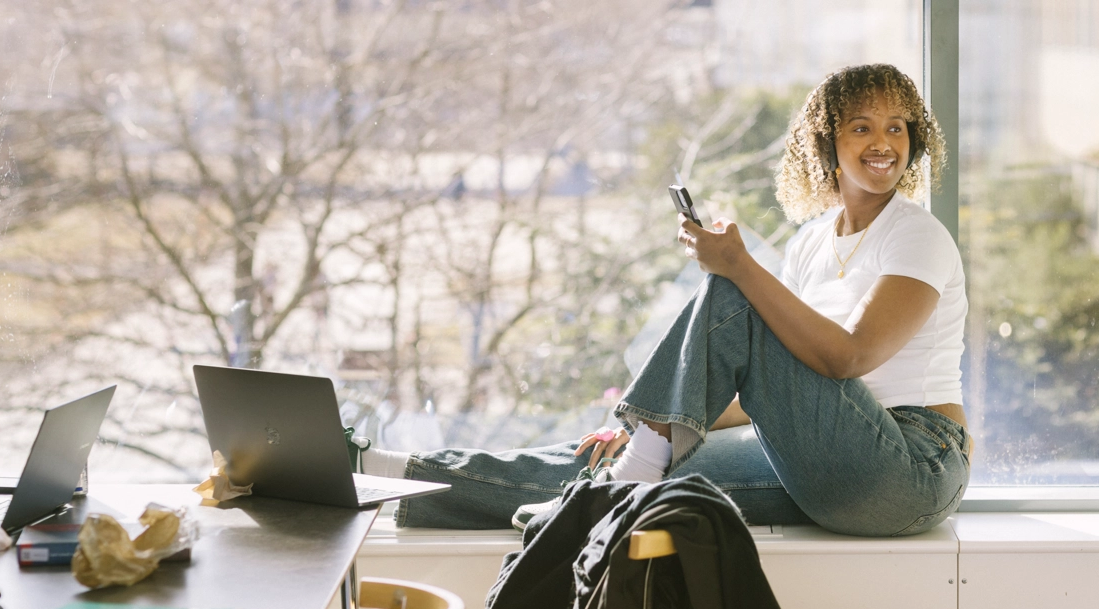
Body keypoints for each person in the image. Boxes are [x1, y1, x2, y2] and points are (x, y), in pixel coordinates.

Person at [366, 63, 971, 536]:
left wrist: (737, 266)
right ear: (826, 142)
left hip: (909, 469)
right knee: (628, 467)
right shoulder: (813, 244)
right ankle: (391, 473)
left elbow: (847, 359)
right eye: (861, 126)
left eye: (897, 126)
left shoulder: (916, 233)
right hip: (829, 463)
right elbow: (762, 381)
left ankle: (636, 468)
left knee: (734, 295)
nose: (883, 141)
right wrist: (663, 425)